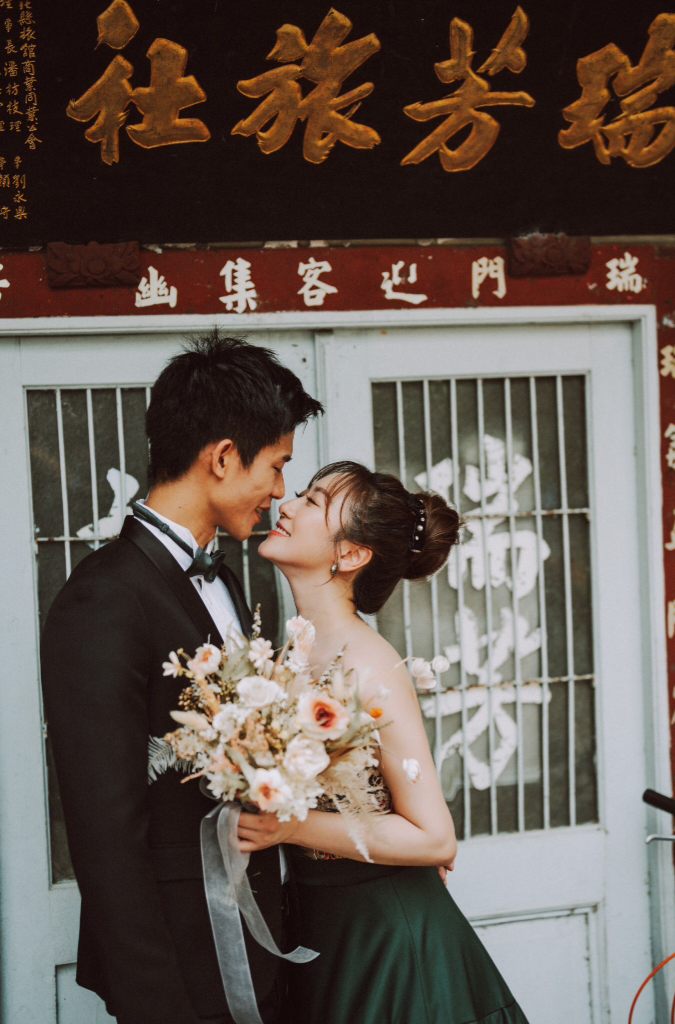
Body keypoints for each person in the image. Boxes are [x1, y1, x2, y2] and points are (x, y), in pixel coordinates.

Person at [40, 331, 322, 1024]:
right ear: (222, 458)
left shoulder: (227, 579)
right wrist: (157, 1006)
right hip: (179, 967)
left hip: (258, 941)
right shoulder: (104, 597)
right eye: (277, 466)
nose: (280, 491)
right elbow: (103, 834)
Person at [241, 461, 530, 1024]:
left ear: (350, 554)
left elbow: (434, 837)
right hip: (322, 928)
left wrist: (291, 828)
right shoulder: (290, 653)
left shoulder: (369, 665)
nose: (287, 505)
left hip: (389, 940)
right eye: (300, 493)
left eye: (312, 501)